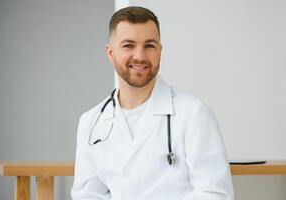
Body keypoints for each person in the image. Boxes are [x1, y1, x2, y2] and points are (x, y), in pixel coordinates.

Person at [71, 6, 234, 200]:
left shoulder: (194, 114)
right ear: (110, 52)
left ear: (160, 50)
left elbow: (215, 194)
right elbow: (88, 195)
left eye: (149, 45)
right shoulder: (91, 122)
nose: (139, 56)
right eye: (128, 45)